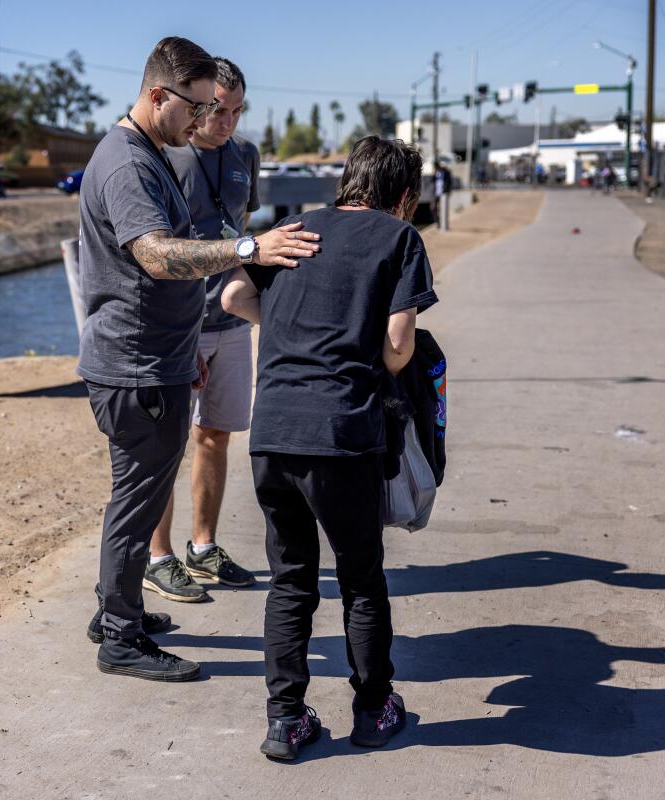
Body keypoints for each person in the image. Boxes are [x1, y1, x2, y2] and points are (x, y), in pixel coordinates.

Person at [77, 36, 321, 682]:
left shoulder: (149, 151)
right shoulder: (129, 164)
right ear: (159, 95)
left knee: (135, 493)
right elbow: (157, 255)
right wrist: (248, 250)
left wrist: (188, 348)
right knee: (136, 500)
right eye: (195, 105)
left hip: (158, 357)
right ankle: (121, 638)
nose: (201, 118)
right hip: (134, 365)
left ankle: (115, 610)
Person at [222, 136, 438, 758]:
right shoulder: (400, 240)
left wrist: (296, 330)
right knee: (361, 580)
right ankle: (373, 711)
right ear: (404, 195)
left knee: (290, 582)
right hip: (341, 434)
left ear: (349, 180)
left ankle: (285, 721)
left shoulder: (293, 230)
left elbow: (235, 296)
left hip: (274, 434)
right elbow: (397, 350)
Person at [142, 56, 260, 604]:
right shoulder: (166, 155)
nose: (228, 122)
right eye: (218, 110)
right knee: (166, 443)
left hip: (230, 320)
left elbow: (243, 227)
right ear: (198, 103)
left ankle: (203, 546)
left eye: (237, 111)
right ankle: (158, 555)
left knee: (216, 435)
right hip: (180, 323)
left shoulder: (246, 156)